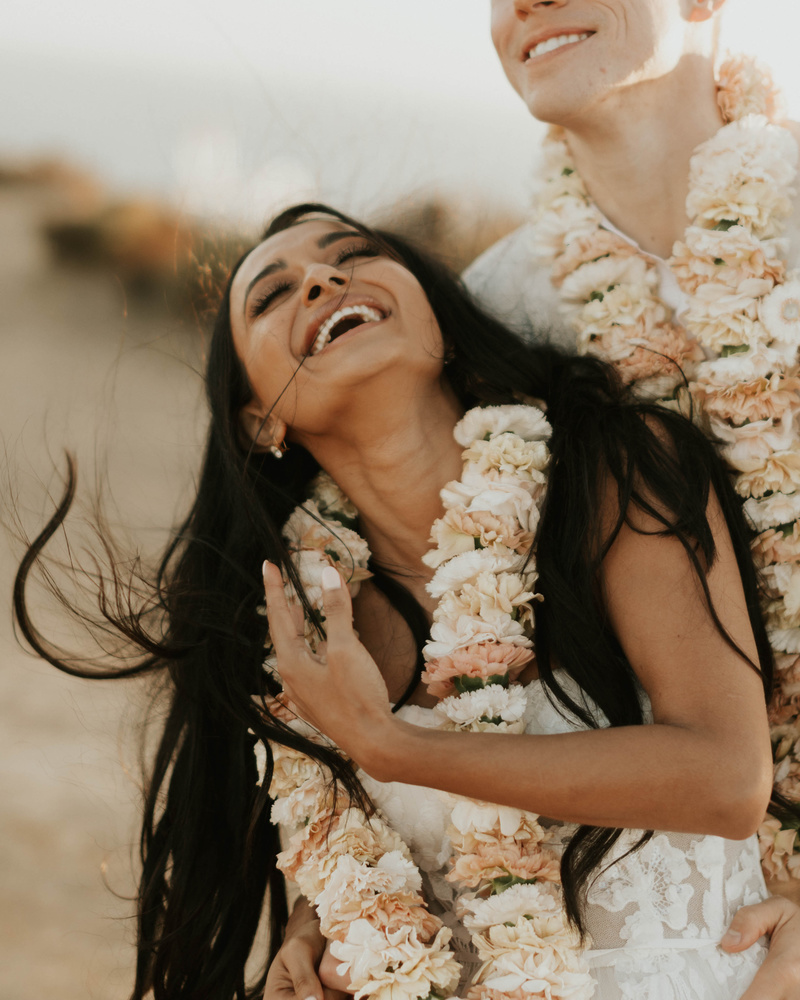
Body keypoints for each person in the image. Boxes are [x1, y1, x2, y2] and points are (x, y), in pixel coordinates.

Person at [14, 202, 800, 1000]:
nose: (322, 280)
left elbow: (726, 779)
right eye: (272, 294)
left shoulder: (617, 472)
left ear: (440, 324)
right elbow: (375, 869)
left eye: (351, 255)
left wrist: (392, 747)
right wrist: (321, 934)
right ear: (259, 421)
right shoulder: (297, 627)